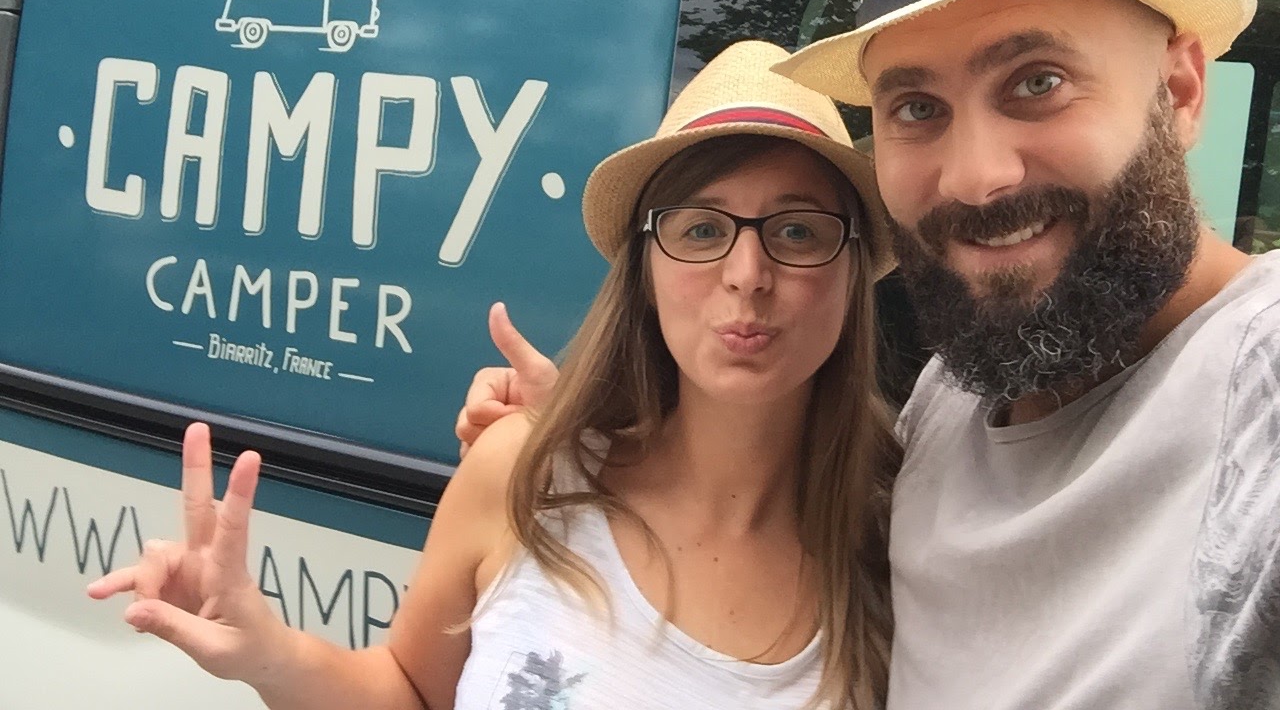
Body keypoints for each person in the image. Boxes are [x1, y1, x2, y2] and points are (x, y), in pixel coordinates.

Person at [457, 0, 1280, 710]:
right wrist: (601, 435)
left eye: (1037, 82)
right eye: (918, 107)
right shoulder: (956, 402)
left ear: (1180, 91)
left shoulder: (1258, 402)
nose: (974, 177)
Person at [87, 40, 902, 710]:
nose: (748, 274)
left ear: (853, 271)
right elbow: (412, 690)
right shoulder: (526, 472)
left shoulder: (901, 545)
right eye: (701, 229)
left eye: (798, 232)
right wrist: (269, 653)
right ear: (646, 273)